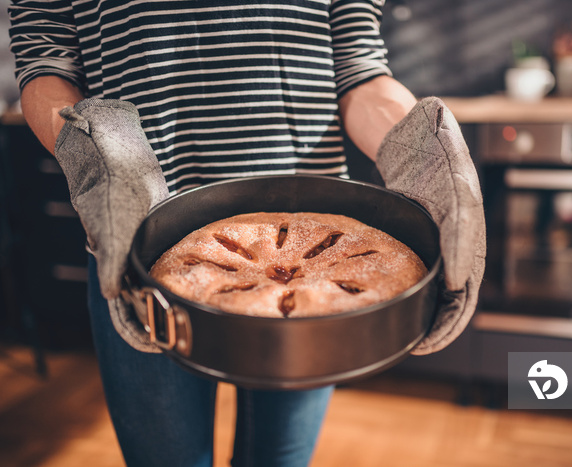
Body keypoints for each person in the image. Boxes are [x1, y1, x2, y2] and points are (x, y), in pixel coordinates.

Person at [9, 1, 485, 466]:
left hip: (319, 252)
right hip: (135, 237)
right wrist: (96, 157)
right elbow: (46, 65)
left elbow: (360, 70)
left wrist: (423, 154)